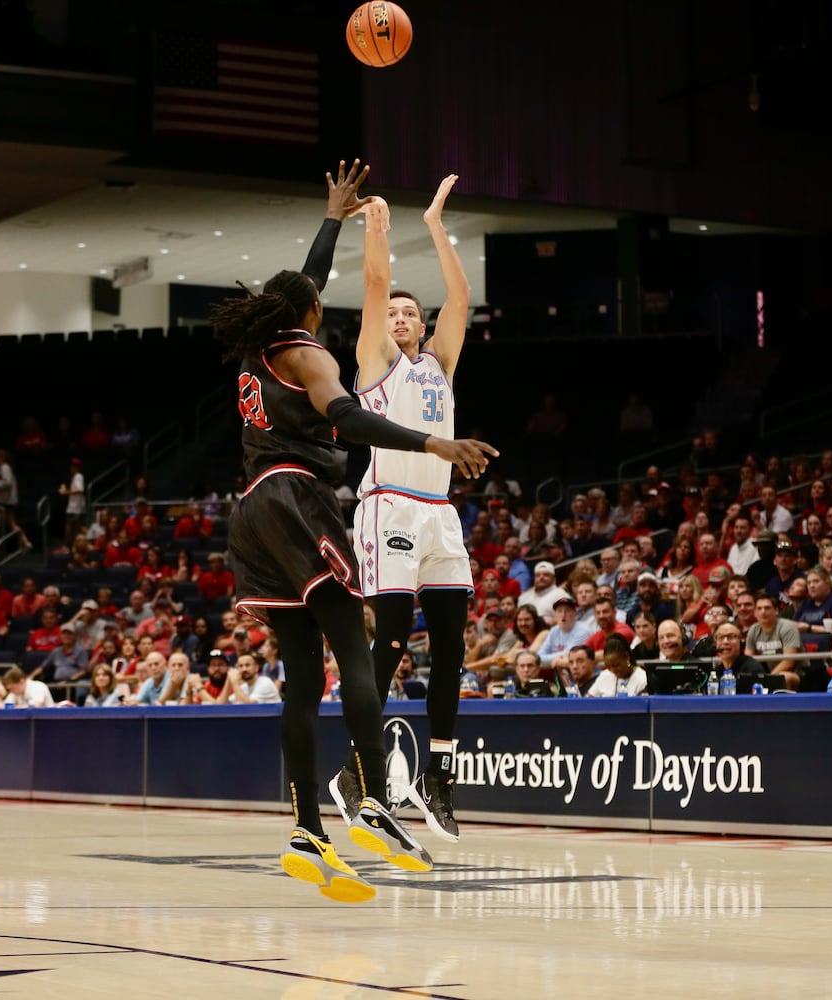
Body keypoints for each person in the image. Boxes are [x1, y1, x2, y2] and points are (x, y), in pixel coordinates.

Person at [211, 178, 494, 903]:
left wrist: (330, 220)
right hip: (297, 497)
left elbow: (304, 280)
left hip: (248, 512)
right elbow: (351, 419)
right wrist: (435, 442)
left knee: (303, 679)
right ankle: (371, 797)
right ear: (308, 315)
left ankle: (307, 828)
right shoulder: (310, 356)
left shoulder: (257, 348)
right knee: (353, 639)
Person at [343, 174, 475, 843]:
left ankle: (438, 778)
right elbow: (371, 287)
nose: (397, 318)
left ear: (420, 325)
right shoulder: (373, 362)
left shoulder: (439, 365)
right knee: (391, 639)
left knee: (450, 643)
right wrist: (378, 229)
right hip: (388, 507)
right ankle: (357, 773)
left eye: (406, 314)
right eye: (390, 314)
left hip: (438, 511)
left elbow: (460, 295)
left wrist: (432, 222)